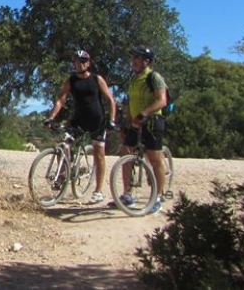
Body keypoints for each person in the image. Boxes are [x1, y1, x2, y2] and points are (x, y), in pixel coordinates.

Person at [44, 50, 117, 205]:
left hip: (97, 121)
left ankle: (98, 191)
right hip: (79, 120)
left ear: (88, 63)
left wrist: (112, 120)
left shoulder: (97, 79)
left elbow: (110, 100)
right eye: (77, 61)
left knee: (99, 153)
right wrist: (51, 118)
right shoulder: (71, 80)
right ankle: (63, 175)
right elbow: (60, 100)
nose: (80, 63)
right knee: (64, 144)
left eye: (83, 61)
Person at [120, 45, 168, 214]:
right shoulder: (134, 79)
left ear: (146, 61)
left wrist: (143, 114)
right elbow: (130, 102)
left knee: (154, 159)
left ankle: (158, 197)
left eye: (137, 58)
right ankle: (127, 195)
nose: (133, 61)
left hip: (153, 121)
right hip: (134, 123)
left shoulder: (154, 77)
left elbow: (162, 101)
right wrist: (127, 121)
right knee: (126, 156)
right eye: (133, 57)